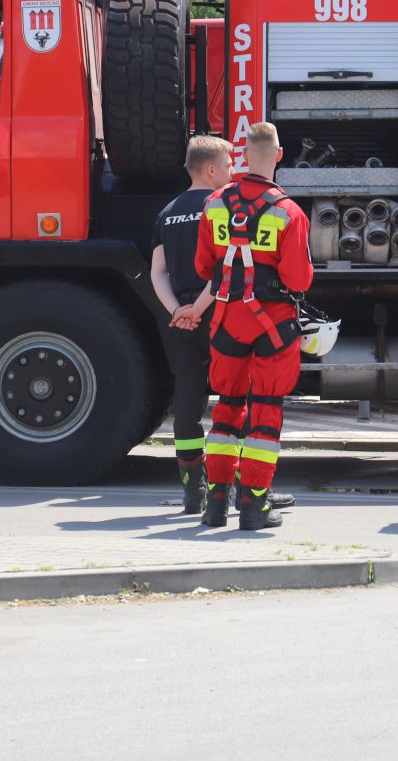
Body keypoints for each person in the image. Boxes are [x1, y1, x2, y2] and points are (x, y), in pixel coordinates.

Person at [194, 122, 313, 530]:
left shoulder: (214, 204)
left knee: (226, 409)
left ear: (243, 154)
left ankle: (216, 504)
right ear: (279, 155)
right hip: (273, 325)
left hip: (226, 321)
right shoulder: (288, 212)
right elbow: (298, 281)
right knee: (265, 411)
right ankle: (254, 505)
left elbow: (203, 266)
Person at [149, 135, 234, 513]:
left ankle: (191, 492)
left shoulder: (167, 212)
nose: (232, 173)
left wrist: (177, 311)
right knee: (232, 402)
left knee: (187, 404)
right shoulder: (222, 207)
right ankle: (229, 489)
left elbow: (157, 271)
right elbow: (225, 268)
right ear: (211, 169)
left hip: (182, 323)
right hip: (219, 315)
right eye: (230, 166)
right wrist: (200, 308)